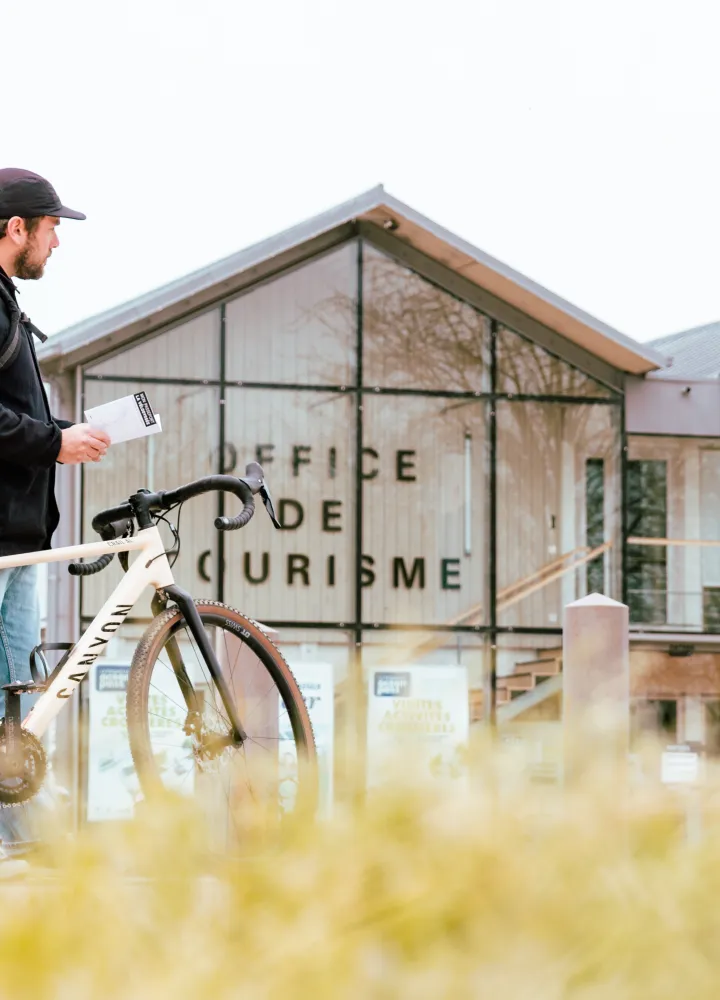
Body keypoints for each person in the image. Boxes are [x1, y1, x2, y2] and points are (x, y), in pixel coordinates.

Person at [0, 168, 111, 866]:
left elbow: (18, 417)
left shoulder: (7, 305)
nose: (56, 244)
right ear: (16, 229)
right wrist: (51, 440)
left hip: (20, 539)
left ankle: (22, 842)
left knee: (15, 709)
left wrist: (70, 432)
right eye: (51, 229)